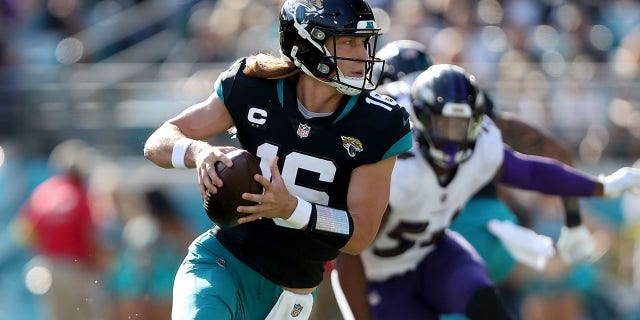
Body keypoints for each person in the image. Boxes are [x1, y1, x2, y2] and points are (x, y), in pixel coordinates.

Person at [143, 0, 413, 319]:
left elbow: (361, 235)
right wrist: (198, 151)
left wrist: (292, 210)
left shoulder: (379, 122)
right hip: (223, 267)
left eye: (364, 42)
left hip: (290, 300)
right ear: (307, 43)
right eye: (349, 41)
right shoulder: (254, 86)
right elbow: (158, 142)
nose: (363, 54)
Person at [334, 64, 640, 320]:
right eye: (445, 125)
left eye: (462, 126)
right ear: (424, 120)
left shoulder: (482, 143)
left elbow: (531, 172)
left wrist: (601, 186)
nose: (455, 137)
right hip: (384, 275)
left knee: (486, 305)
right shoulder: (400, 169)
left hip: (435, 249)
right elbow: (352, 254)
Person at [11, 139, 112, 320]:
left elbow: (23, 232)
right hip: (77, 271)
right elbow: (90, 235)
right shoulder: (81, 195)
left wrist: (46, 252)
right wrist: (100, 265)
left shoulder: (43, 191)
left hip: (48, 268)